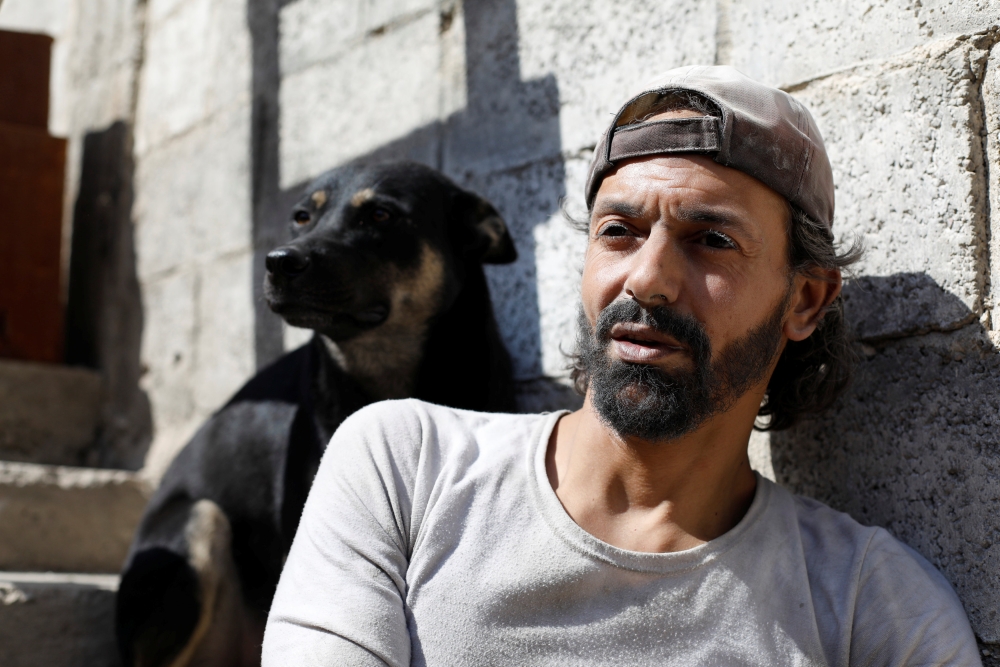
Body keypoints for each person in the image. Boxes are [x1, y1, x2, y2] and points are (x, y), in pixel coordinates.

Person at [261, 66, 981, 666]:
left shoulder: (872, 608)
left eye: (711, 240)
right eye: (619, 231)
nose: (647, 278)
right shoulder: (406, 469)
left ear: (805, 299)